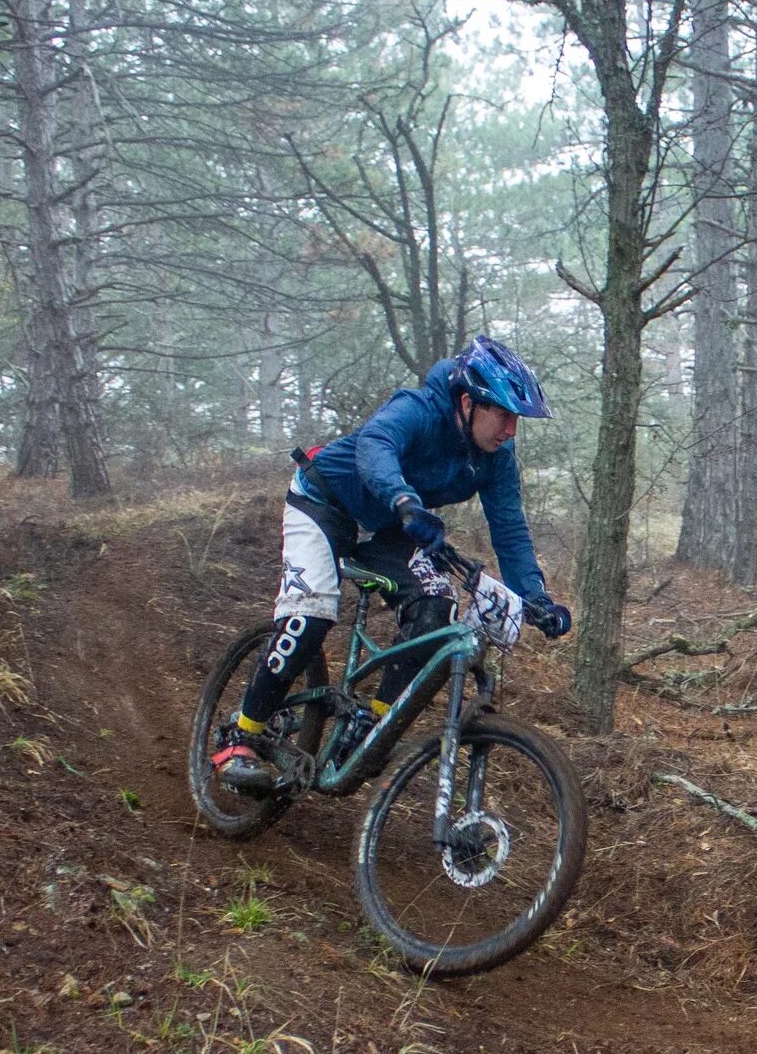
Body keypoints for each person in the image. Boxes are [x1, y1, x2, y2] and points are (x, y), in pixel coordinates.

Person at [210, 336, 573, 794]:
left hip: (391, 524)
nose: (511, 430)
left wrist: (534, 597)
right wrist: (403, 499)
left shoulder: (496, 459)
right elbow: (376, 443)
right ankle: (240, 737)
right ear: (467, 403)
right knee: (312, 616)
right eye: (503, 414)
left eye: (516, 418)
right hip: (324, 502)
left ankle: (369, 728)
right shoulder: (420, 409)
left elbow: (509, 527)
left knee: (436, 610)